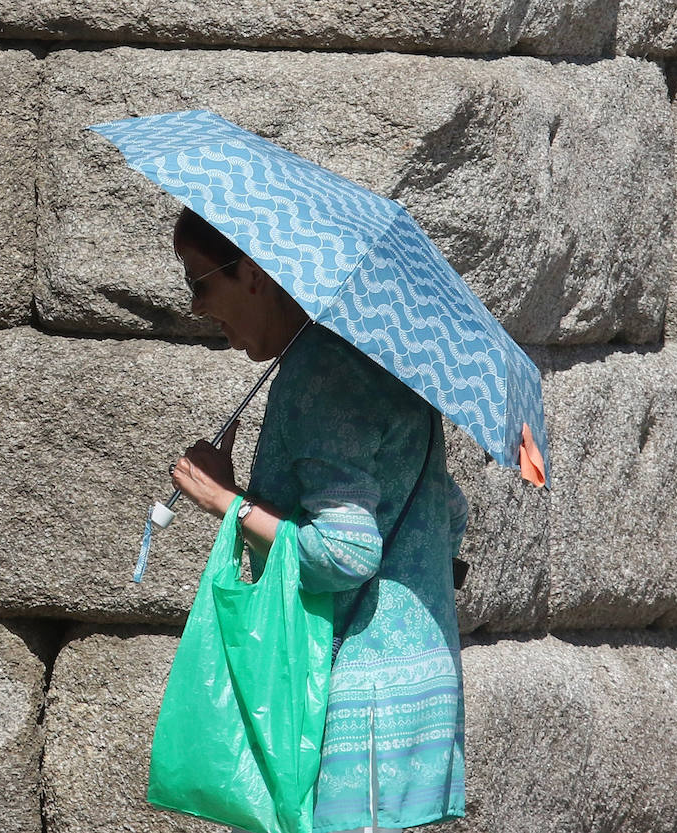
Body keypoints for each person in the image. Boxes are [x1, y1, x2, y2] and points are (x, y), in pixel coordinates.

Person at [167, 207, 469, 833]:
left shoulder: (322, 371)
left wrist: (226, 501)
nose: (196, 307)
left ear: (252, 273)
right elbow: (452, 511)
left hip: (354, 707)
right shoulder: (372, 359)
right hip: (417, 689)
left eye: (200, 282)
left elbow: (347, 554)